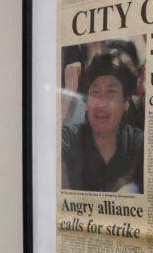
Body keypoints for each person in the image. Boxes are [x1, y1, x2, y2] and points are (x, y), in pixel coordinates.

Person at [61, 48, 145, 192]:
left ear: (126, 103)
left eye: (111, 93)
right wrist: (69, 94)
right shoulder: (70, 137)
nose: (101, 103)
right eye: (95, 92)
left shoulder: (138, 142)